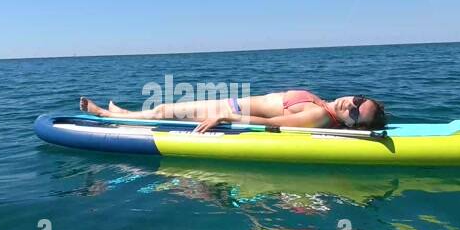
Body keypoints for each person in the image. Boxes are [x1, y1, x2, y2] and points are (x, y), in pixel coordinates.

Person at [79, 89, 387, 133]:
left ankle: (109, 116)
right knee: (164, 108)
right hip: (230, 102)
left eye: (357, 113)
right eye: (359, 100)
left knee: (164, 110)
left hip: (229, 108)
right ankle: (123, 113)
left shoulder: (320, 116)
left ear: (352, 125)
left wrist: (228, 117)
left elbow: (276, 123)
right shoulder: (322, 103)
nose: (352, 105)